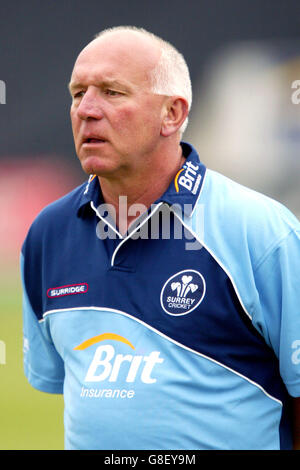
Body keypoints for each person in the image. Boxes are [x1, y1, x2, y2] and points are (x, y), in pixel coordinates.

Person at [21, 25, 300, 450]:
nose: (87, 110)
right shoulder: (47, 234)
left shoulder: (261, 231)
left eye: (112, 92)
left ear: (172, 113)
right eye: (78, 93)